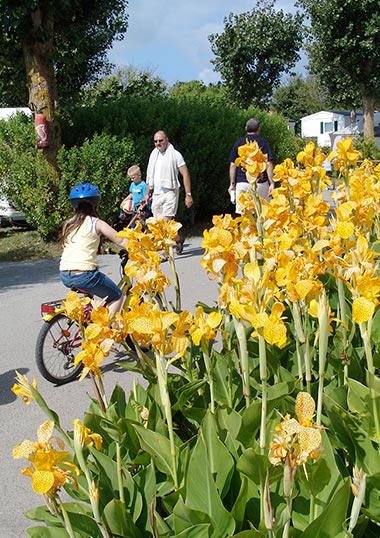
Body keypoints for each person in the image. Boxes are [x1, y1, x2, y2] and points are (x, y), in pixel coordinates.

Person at [59, 182, 128, 315]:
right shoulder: (96, 223)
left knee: (91, 302)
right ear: (96, 204)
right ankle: (105, 332)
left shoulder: (68, 224)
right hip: (85, 275)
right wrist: (141, 248)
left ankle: (88, 326)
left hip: (65, 274)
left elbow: (77, 245)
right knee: (116, 296)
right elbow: (121, 240)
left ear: (74, 207)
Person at [144, 130, 193, 255]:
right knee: (158, 225)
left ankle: (166, 254)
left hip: (170, 193)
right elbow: (151, 177)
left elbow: (185, 174)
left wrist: (188, 194)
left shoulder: (175, 155)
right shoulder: (153, 155)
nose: (158, 143)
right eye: (155, 141)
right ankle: (178, 238)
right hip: (156, 194)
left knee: (164, 224)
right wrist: (147, 194)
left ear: (167, 140)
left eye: (161, 140)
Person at [228, 118, 275, 214]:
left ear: (246, 128)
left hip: (242, 183)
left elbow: (233, 165)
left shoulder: (239, 143)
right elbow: (269, 163)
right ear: (259, 129)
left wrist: (232, 184)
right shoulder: (263, 143)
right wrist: (272, 183)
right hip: (260, 183)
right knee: (262, 214)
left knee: (245, 216)